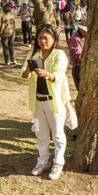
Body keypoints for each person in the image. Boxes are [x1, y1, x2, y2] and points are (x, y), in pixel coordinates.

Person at [21, 23, 70, 180]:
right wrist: (27, 71)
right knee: (40, 133)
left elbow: (60, 73)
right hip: (37, 101)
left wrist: (49, 75)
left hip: (54, 102)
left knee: (57, 135)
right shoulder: (33, 54)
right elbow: (23, 75)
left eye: (46, 38)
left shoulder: (59, 55)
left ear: (53, 39)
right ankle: (43, 162)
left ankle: (58, 164)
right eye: (40, 38)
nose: (43, 41)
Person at [68, 24, 87, 90]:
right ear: (80, 29)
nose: (86, 33)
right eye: (84, 31)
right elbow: (77, 56)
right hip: (78, 68)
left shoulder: (83, 37)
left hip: (82, 67)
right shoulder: (75, 39)